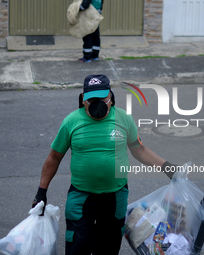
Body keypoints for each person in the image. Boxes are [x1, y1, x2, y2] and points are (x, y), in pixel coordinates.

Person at [32, 74, 179, 255]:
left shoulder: (124, 118)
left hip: (115, 197)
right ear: (83, 99)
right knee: (77, 248)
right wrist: (41, 192)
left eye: (102, 97)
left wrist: (168, 168)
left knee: (108, 248)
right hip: (81, 197)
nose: (97, 103)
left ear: (111, 96)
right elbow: (54, 158)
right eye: (91, 99)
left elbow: (139, 150)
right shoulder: (71, 121)